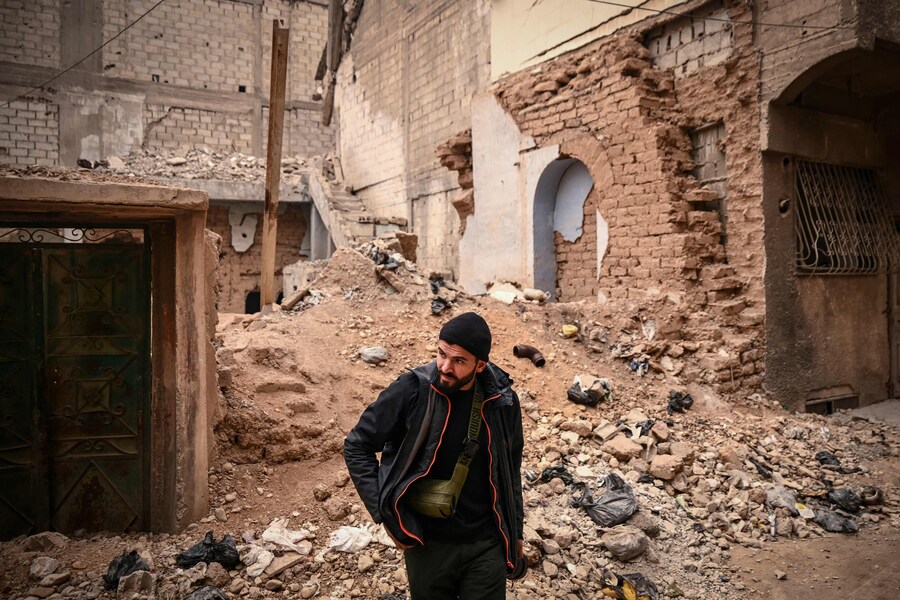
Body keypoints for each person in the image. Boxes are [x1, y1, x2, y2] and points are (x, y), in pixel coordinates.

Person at [344, 312, 526, 599]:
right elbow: (357, 445)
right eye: (441, 354)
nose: (445, 366)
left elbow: (510, 467)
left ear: (480, 365)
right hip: (427, 542)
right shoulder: (413, 389)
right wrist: (386, 515)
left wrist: (516, 531)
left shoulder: (501, 400)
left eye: (459, 361)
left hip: (486, 541)